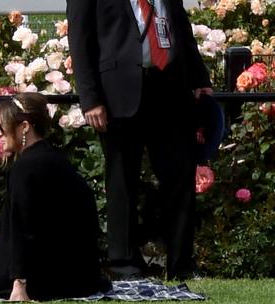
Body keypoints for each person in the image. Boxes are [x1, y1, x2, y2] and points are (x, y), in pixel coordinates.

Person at [67, 0, 213, 279]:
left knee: (180, 176)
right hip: (117, 94)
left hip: (170, 89)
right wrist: (90, 100)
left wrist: (199, 77)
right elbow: (80, 40)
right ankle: (124, 265)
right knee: (122, 181)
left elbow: (181, 28)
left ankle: (181, 264)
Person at [0, 93, 110, 301]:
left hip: (46, 278)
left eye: (4, 128)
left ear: (24, 126)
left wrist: (19, 285)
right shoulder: (56, 159)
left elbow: (23, 228)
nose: (0, 133)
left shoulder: (25, 168)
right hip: (81, 275)